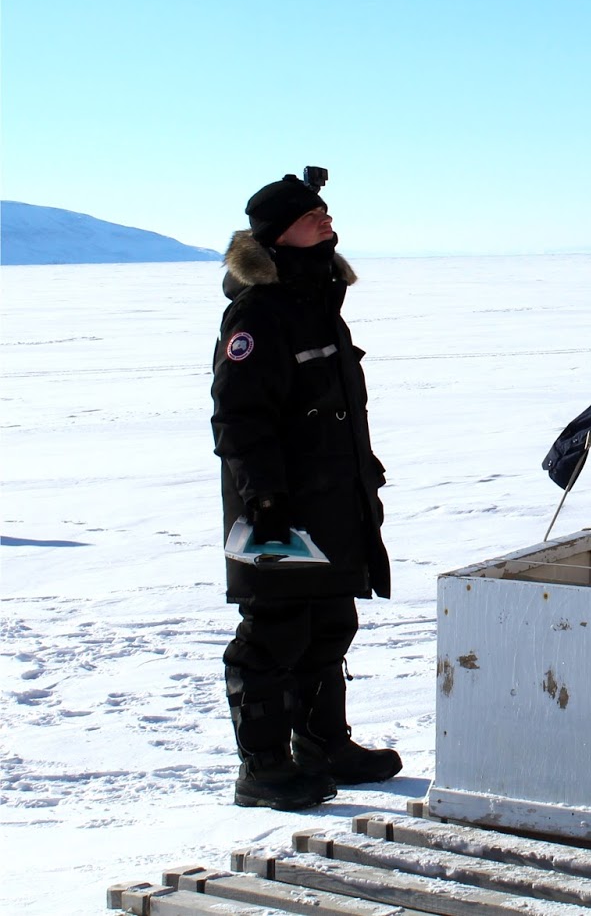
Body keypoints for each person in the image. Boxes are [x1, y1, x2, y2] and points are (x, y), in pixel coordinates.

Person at [210, 171, 401, 810]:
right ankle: (262, 768)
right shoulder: (258, 313)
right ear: (277, 233)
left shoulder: (315, 297)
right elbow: (239, 418)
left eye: (325, 209)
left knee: (328, 622)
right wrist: (264, 499)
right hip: (278, 504)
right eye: (311, 212)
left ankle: (323, 747)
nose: (326, 218)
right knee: (275, 630)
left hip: (330, 496)